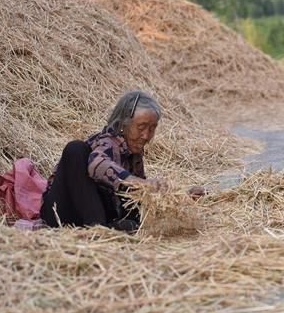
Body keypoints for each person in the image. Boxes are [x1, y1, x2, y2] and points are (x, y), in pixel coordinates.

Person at [39, 90, 205, 232]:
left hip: (97, 217)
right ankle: (98, 229)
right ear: (123, 124)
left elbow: (140, 197)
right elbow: (97, 165)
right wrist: (137, 182)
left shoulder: (134, 155)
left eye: (152, 129)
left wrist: (180, 196)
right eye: (141, 127)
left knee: (132, 202)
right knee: (76, 149)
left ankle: (109, 228)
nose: (146, 135)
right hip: (62, 211)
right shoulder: (106, 141)